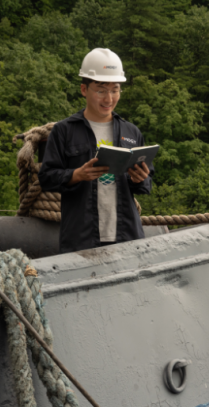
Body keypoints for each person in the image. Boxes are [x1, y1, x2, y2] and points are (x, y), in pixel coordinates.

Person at [38, 48, 153, 253]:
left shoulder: (131, 132)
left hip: (127, 238)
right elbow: (46, 178)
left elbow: (146, 186)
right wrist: (76, 175)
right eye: (101, 90)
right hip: (81, 238)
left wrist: (141, 179)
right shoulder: (64, 131)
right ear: (84, 89)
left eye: (115, 90)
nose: (108, 98)